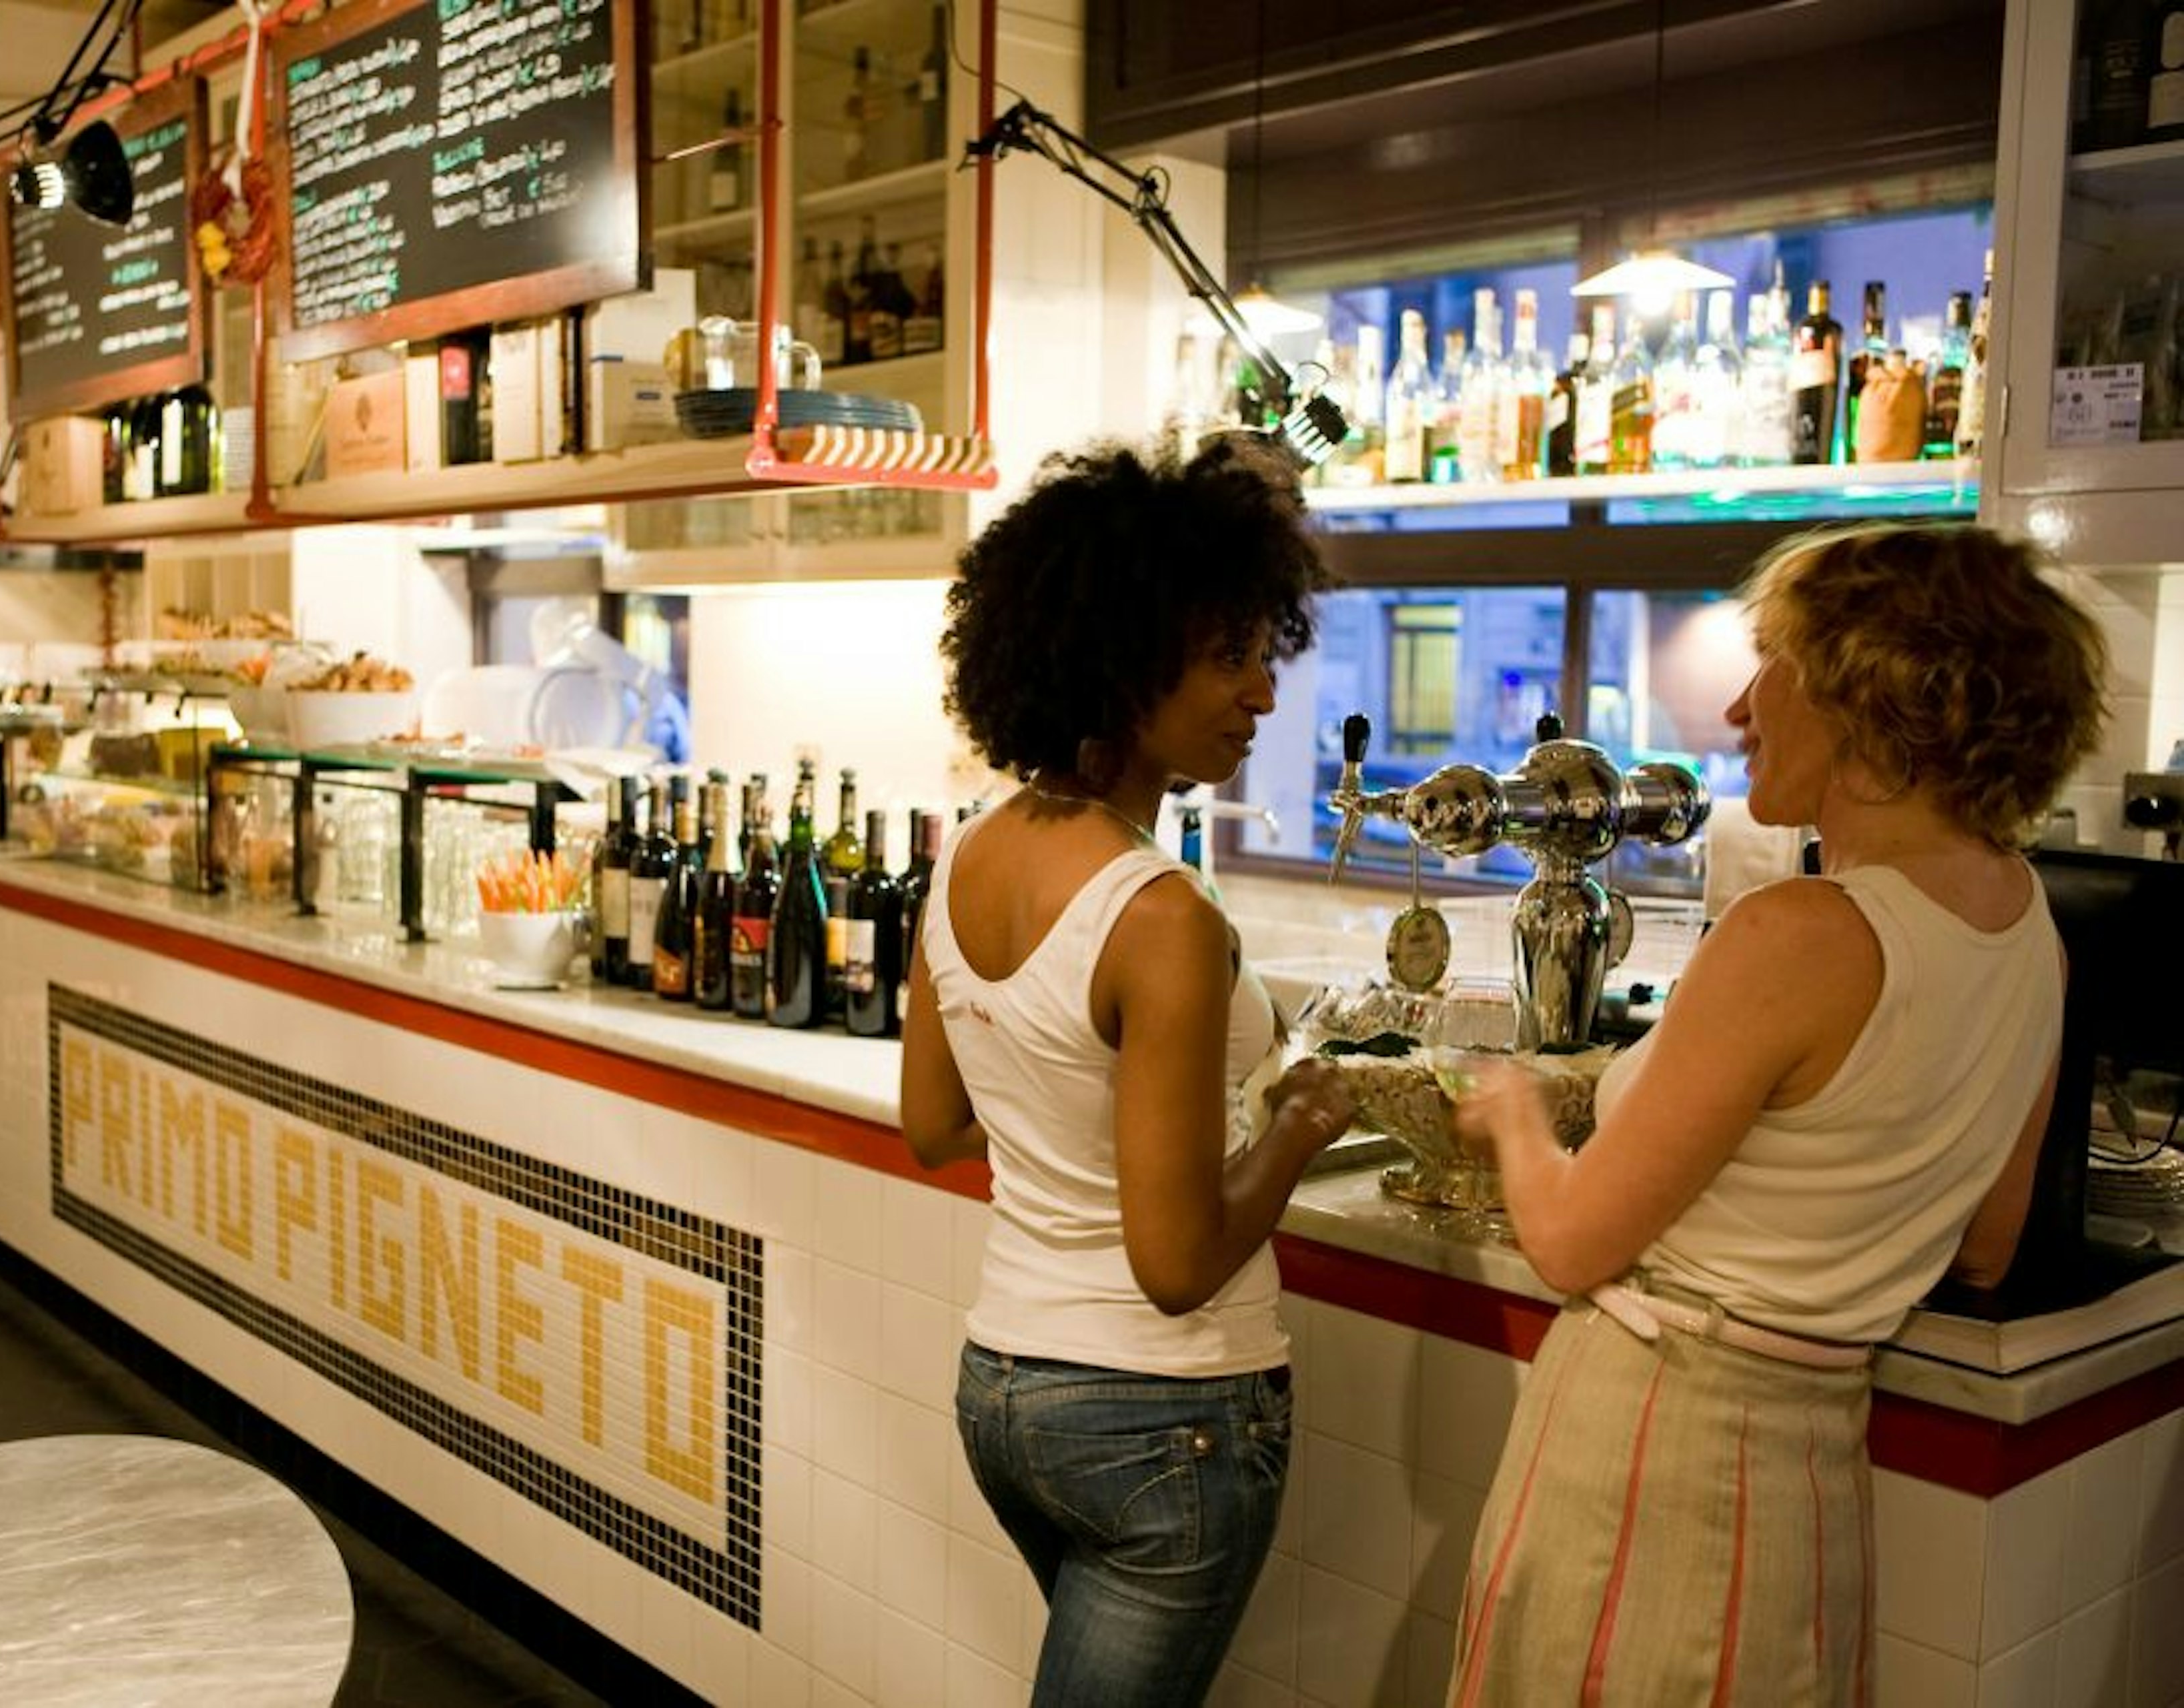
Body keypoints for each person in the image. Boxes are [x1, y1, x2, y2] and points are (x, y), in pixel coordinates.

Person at [1446, 522, 2107, 1705]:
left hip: (1654, 1451)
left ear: (1871, 692)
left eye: (1775, 664)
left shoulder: (1802, 933)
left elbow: (1568, 1240)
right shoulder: (2028, 931)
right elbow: (1986, 1240)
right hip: (1811, 1472)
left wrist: (1512, 1113)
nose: (1744, 706)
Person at [898, 435, 1357, 1706]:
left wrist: (1075, 1120)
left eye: (1264, 651)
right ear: (1117, 659)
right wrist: (1301, 1124)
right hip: (1162, 1414)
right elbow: (1173, 1262)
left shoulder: (967, 855)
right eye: (1230, 656)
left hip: (1005, 1392)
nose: (1263, 692)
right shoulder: (1159, 915)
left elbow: (933, 1122)